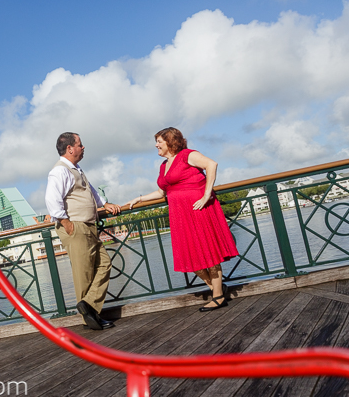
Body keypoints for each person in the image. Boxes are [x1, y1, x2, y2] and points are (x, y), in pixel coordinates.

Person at [125, 127, 238, 311]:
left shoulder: (187, 155)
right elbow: (162, 192)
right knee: (190, 256)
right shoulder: (163, 166)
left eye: (159, 142)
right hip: (180, 215)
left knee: (209, 253)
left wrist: (206, 194)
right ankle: (216, 288)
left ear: (170, 141)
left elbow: (212, 165)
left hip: (198, 210)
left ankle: (218, 297)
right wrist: (139, 198)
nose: (156, 145)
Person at [45, 132, 121, 330]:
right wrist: (67, 224)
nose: (83, 147)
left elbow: (91, 191)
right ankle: (90, 317)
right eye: (80, 144)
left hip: (88, 225)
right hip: (76, 227)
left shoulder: (75, 169)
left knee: (104, 263)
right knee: (84, 274)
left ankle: (89, 306)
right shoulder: (59, 171)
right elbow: (52, 200)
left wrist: (105, 204)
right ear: (70, 148)